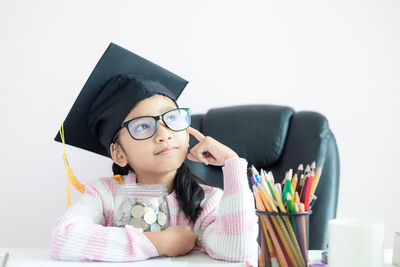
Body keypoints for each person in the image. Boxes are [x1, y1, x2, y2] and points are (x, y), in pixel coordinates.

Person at [50, 43, 258, 263]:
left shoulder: (204, 201)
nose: (163, 134)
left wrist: (232, 163)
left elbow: (237, 250)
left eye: (172, 119)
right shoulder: (105, 195)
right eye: (142, 126)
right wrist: (160, 242)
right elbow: (63, 238)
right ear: (119, 153)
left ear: (186, 134)